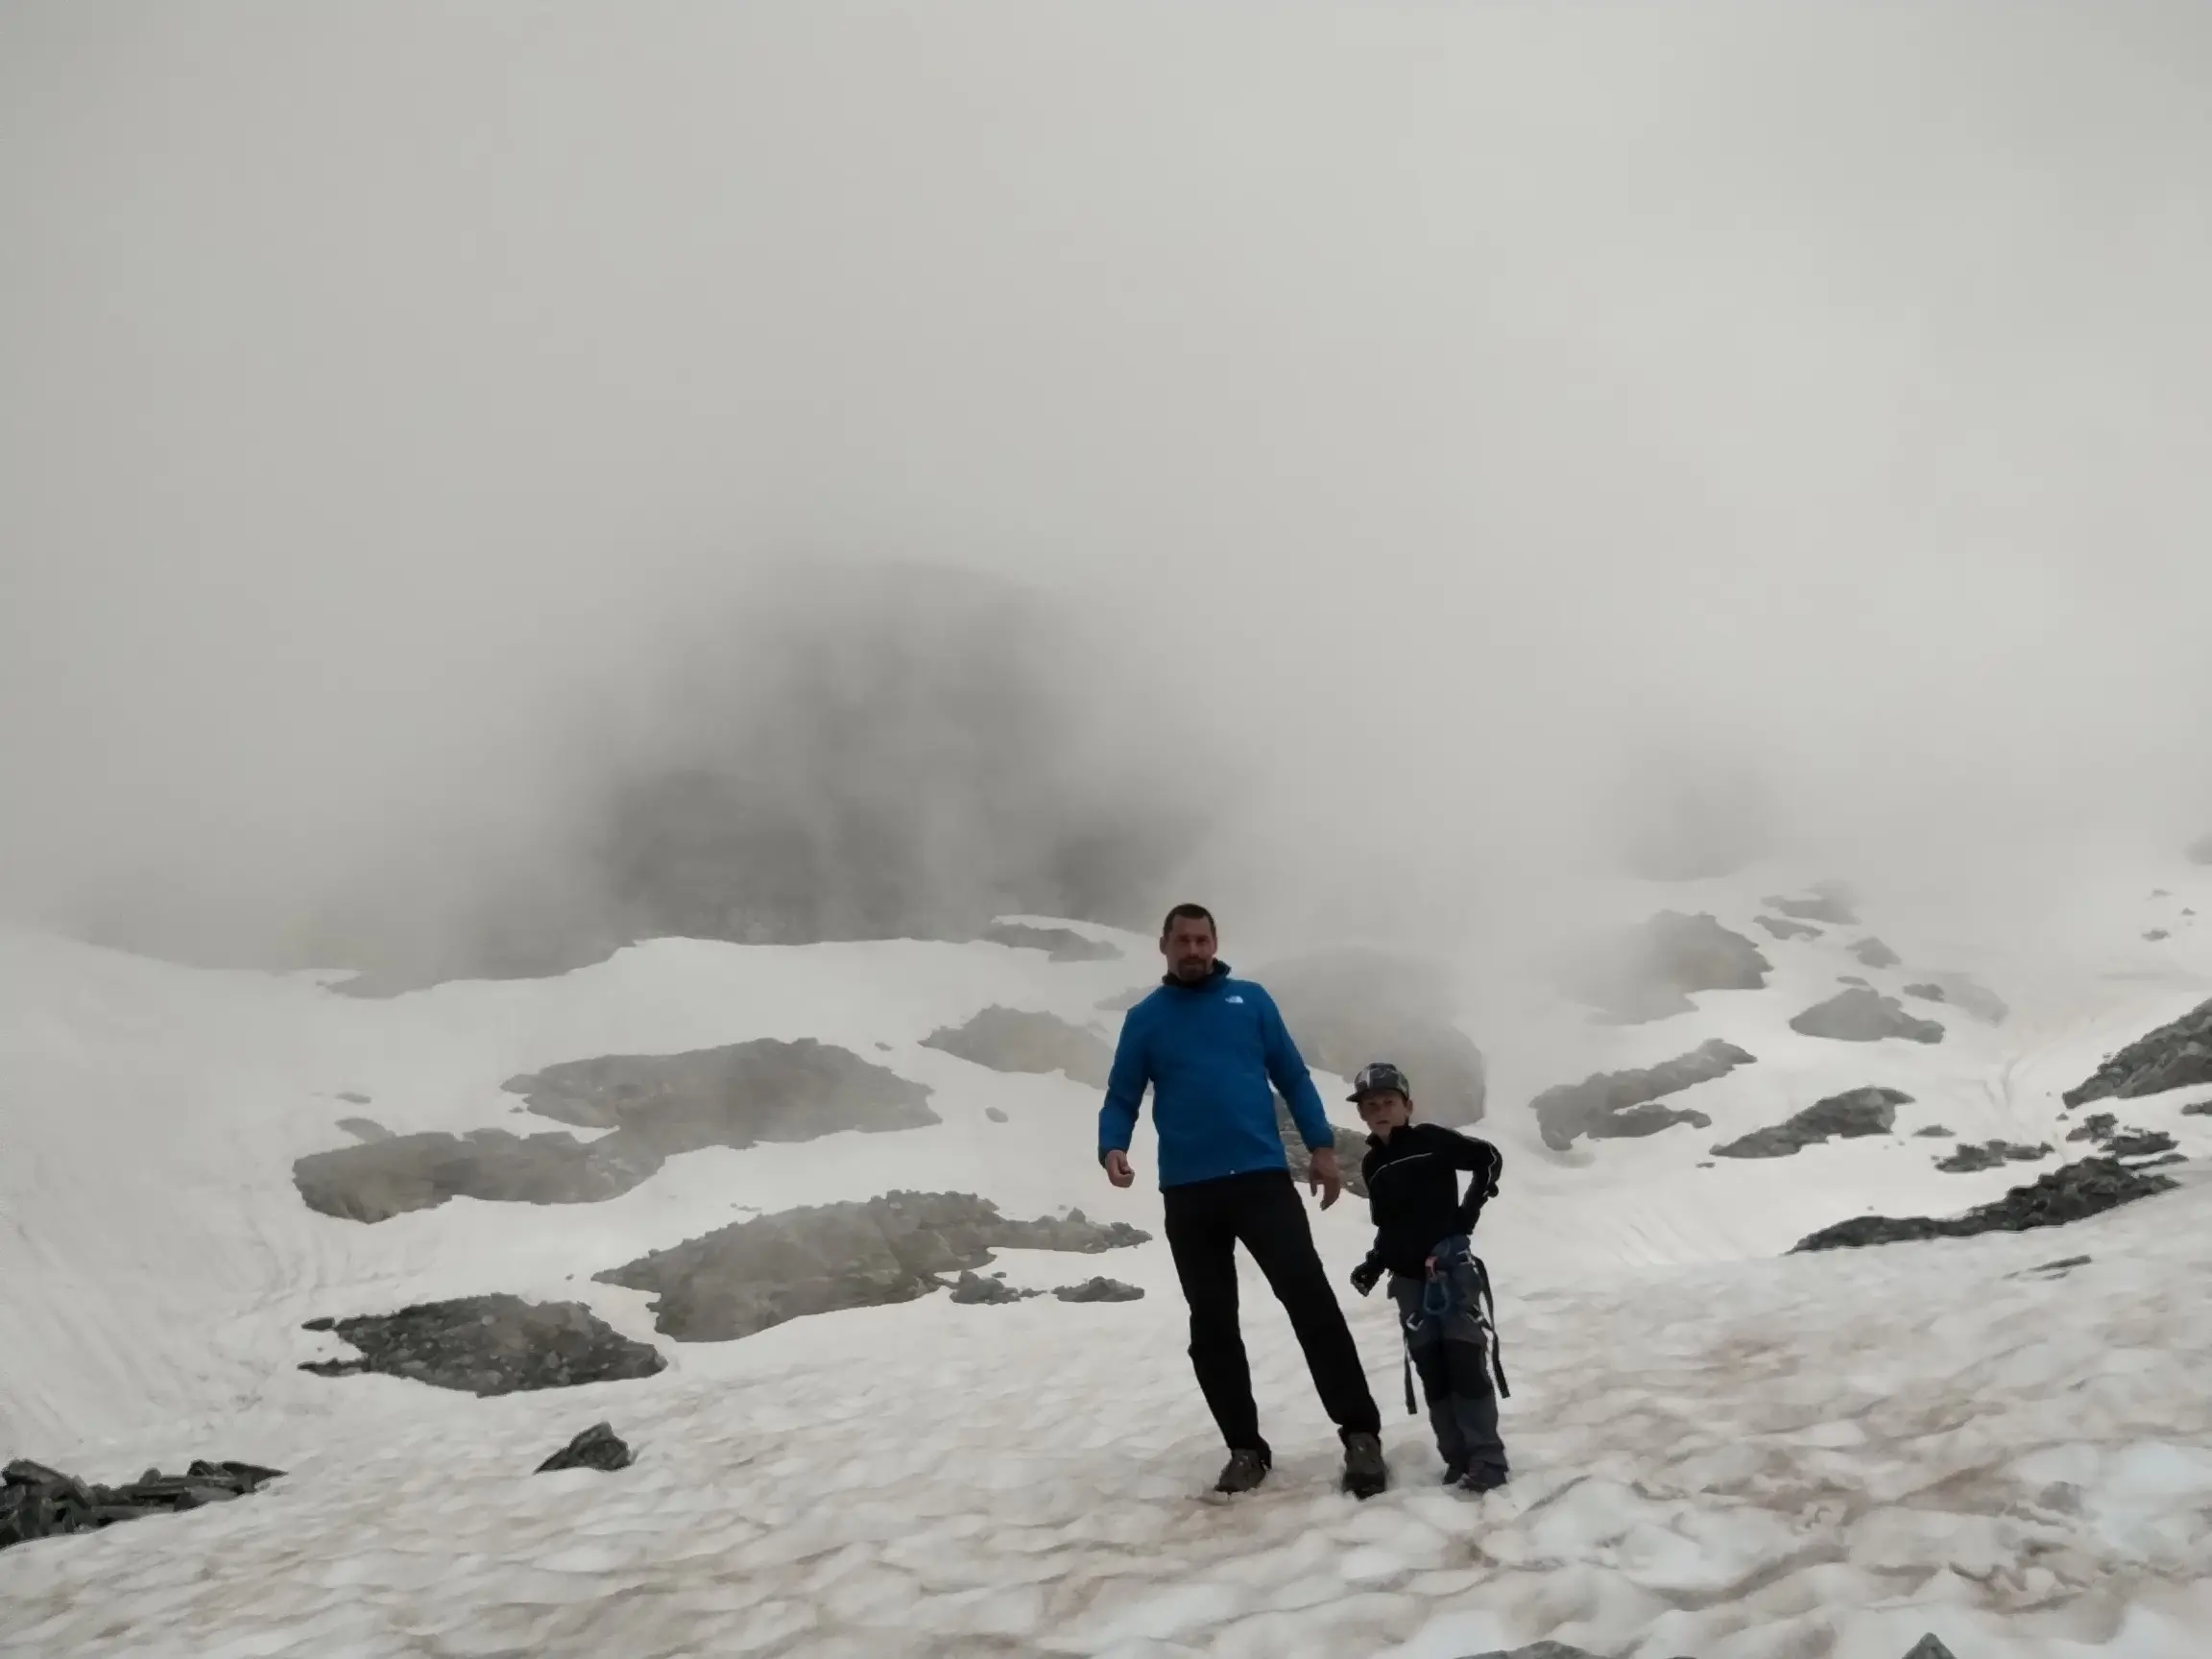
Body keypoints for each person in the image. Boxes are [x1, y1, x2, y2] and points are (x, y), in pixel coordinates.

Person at [1098, 903, 1389, 1500]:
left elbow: (1292, 1075)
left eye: (1202, 939)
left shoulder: (1251, 1001)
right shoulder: (1145, 1019)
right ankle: (1245, 1449)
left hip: (1260, 1180)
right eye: (1182, 940)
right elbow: (1122, 1093)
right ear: (1164, 946)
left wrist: (1322, 1148)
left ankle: (1360, 1434)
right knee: (1211, 1325)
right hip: (1188, 1190)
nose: (1194, 950)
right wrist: (1112, 1145)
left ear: (1215, 942)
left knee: (1310, 1302)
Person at [1344, 1061, 1509, 1494]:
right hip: (1409, 1281)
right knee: (1433, 1371)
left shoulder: (1432, 1141)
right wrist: (1374, 1264)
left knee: (1464, 1363)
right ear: (1362, 1114)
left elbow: (1487, 1158)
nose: (1380, 1110)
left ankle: (1487, 1460)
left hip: (1449, 1271)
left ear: (1407, 1105)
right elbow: (1391, 1227)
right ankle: (1457, 1460)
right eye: (1371, 1105)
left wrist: (1466, 1218)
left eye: (1388, 1102)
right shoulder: (1372, 1166)